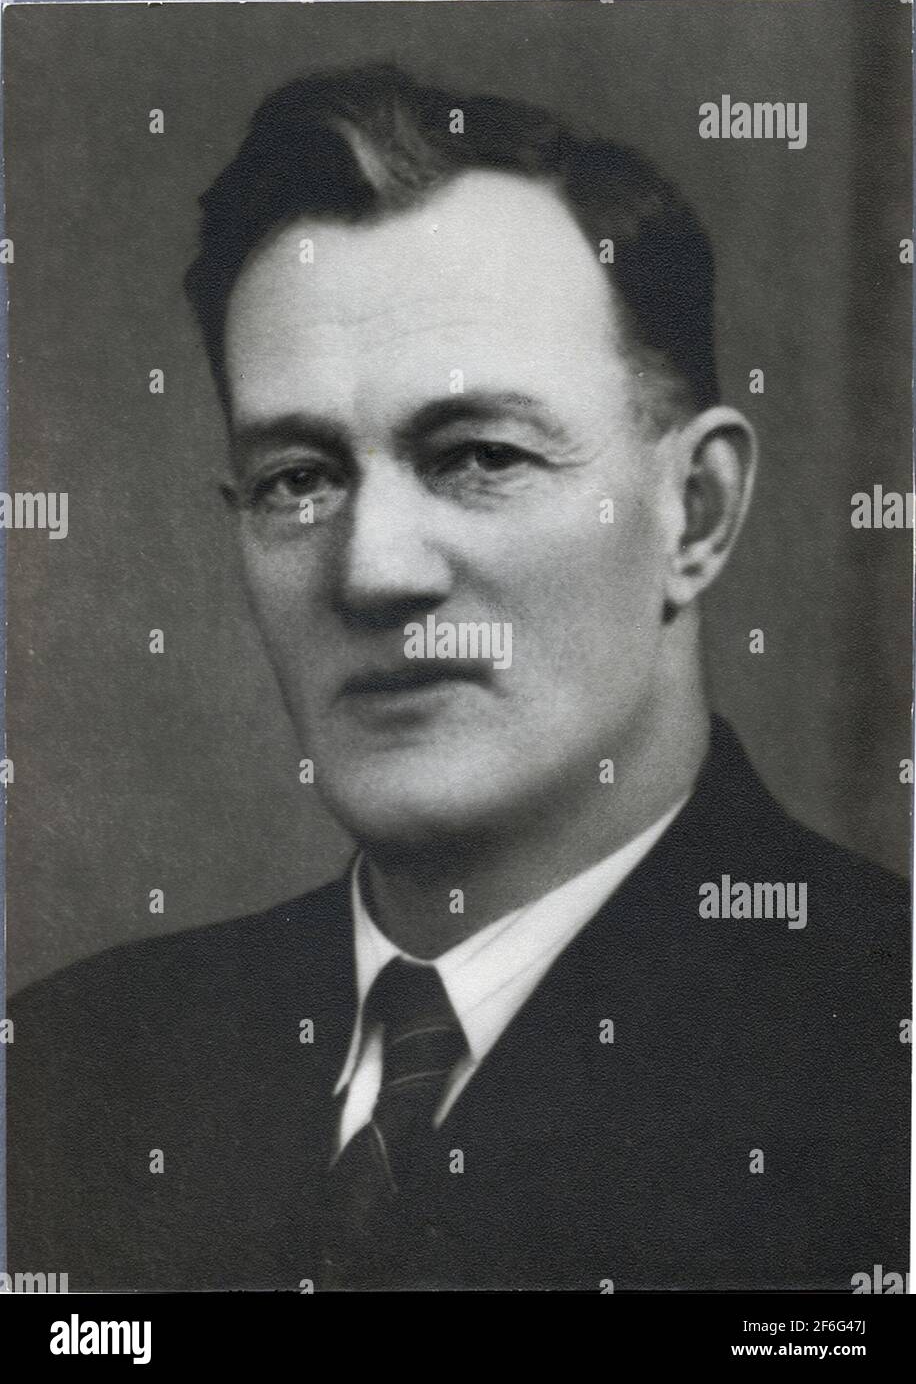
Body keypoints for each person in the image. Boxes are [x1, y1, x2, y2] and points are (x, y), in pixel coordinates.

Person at [7, 64, 909, 1292]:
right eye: (297, 479)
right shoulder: (64, 1076)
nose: (374, 570)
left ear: (693, 512)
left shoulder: (882, 1062)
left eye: (481, 455)